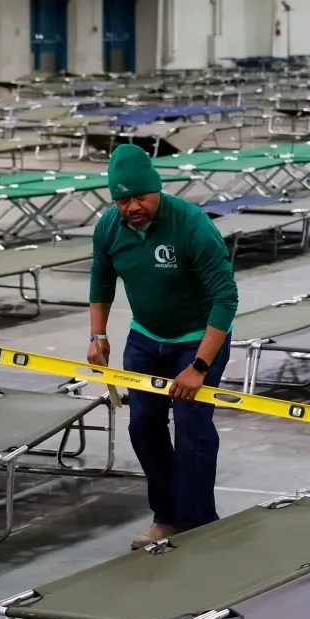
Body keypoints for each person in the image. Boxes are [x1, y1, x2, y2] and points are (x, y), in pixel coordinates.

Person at [86, 143, 239, 549]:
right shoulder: (110, 227)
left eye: (139, 196)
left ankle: (200, 522)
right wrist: (97, 335)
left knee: (191, 429)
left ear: (157, 190)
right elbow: (102, 280)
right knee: (143, 426)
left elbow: (226, 298)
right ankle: (167, 517)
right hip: (146, 338)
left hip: (196, 341)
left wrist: (200, 365)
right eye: (122, 198)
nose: (131, 206)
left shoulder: (190, 224)